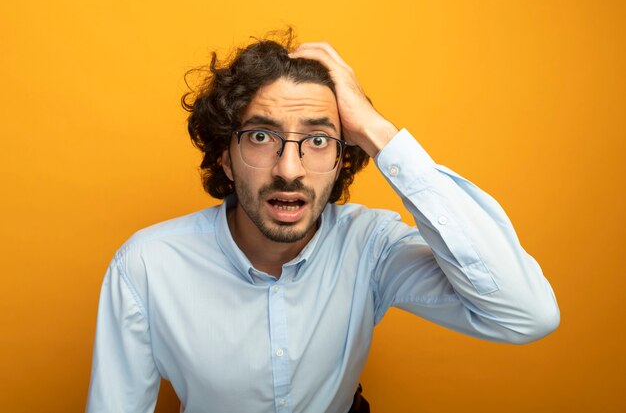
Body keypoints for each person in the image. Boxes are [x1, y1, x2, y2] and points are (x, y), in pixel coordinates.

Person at [86, 32, 560, 413]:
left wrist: (376, 130)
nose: (289, 169)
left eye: (317, 140)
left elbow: (525, 314)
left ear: (341, 160)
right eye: (259, 136)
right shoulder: (145, 266)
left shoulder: (370, 246)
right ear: (225, 159)